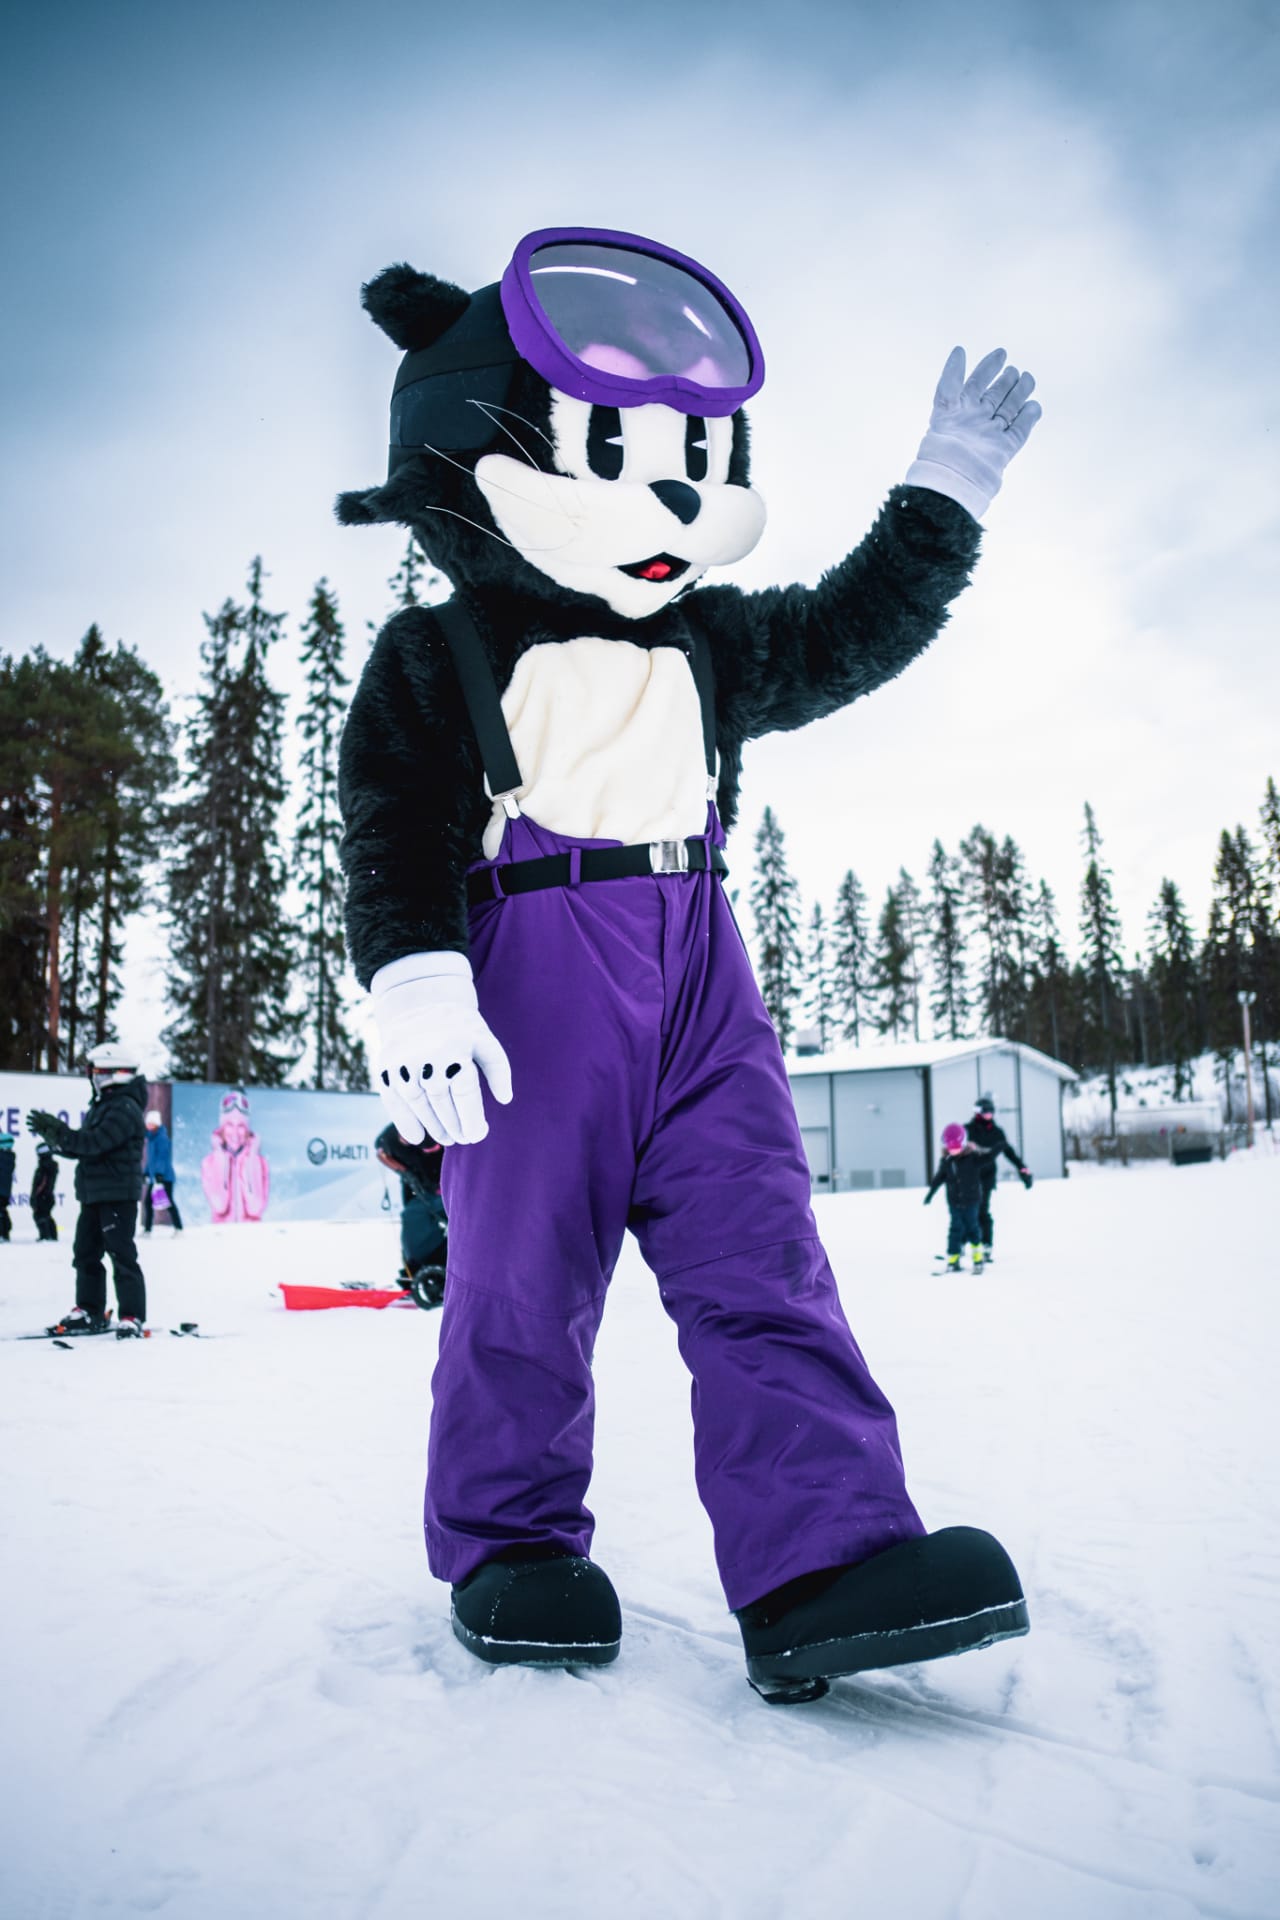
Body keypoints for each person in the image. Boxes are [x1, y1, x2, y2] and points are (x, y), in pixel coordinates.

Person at [338, 225, 1039, 1697]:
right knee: (521, 1281)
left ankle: (824, 1557)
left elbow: (852, 631)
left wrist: (945, 493)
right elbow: (394, 818)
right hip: (534, 969)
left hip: (703, 970)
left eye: (690, 458)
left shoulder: (711, 645)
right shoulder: (443, 652)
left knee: (764, 1255)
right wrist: (413, 976)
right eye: (610, 450)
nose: (666, 497)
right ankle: (509, 1545)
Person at [26, 1042, 149, 1337]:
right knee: (85, 1253)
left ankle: (132, 1315)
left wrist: (62, 1134)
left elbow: (95, 1144)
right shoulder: (105, 1105)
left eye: (97, 1070)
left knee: (121, 1255)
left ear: (114, 1072)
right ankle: (89, 1310)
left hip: (117, 1195)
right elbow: (87, 1145)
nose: (92, 1075)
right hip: (95, 1194)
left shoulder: (125, 1107)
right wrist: (57, 1140)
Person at [376, 1122, 447, 1305]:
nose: (433, 1150)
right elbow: (381, 1153)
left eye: (434, 1147)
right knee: (413, 1218)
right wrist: (403, 1171)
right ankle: (417, 1266)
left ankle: (444, 1259)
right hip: (419, 1187)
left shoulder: (440, 1131)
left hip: (444, 1187)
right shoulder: (390, 1138)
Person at [965, 1093, 1033, 1263]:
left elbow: (1008, 1152)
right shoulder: (967, 1129)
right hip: (969, 1175)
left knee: (982, 1210)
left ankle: (986, 1245)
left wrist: (1022, 1168)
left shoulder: (996, 1132)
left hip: (987, 1175)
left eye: (991, 1112)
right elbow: (956, 1150)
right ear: (978, 1112)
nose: (989, 1115)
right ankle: (961, 1243)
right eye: (986, 1112)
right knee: (967, 1211)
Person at [924, 1123, 992, 1273]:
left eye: (956, 1147)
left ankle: (977, 1259)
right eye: (950, 1148)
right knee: (955, 1230)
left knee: (973, 1228)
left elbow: (988, 1157)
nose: (953, 1151)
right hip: (954, 1202)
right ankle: (953, 1259)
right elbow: (939, 1178)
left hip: (971, 1201)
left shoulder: (973, 1158)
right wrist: (930, 1194)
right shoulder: (947, 1162)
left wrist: (1001, 1146)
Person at [200, 1089, 269, 1224]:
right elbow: (219, 1204)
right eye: (230, 1125)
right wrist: (221, 1156)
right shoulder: (208, 1163)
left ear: (247, 1130)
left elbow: (255, 1208)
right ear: (222, 1129)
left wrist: (251, 1157)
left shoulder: (260, 1162)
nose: (236, 1133)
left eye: (241, 1126)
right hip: (221, 1238)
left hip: (251, 1238)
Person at [142, 1108, 184, 1234]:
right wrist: (146, 1173)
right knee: (148, 1202)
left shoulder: (162, 1138)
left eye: (151, 1123)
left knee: (168, 1202)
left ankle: (179, 1228)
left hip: (165, 1177)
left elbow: (162, 1157)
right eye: (147, 1123)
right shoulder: (150, 1139)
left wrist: (160, 1174)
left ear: (156, 1124)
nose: (148, 1125)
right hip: (155, 1177)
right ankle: (147, 1230)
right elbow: (151, 1160)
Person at [30, 1141, 60, 1241]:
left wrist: (34, 1196)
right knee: (46, 1215)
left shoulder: (44, 1167)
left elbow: (41, 1183)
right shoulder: (51, 1166)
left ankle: (46, 1236)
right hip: (47, 1195)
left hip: (42, 1196)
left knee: (40, 1215)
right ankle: (51, 1236)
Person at [0, 1130, 14, 1242]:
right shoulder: (10, 1156)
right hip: (5, 1190)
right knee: (3, 1211)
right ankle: (5, 1232)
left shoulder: (2, 1157)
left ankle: (2, 1233)